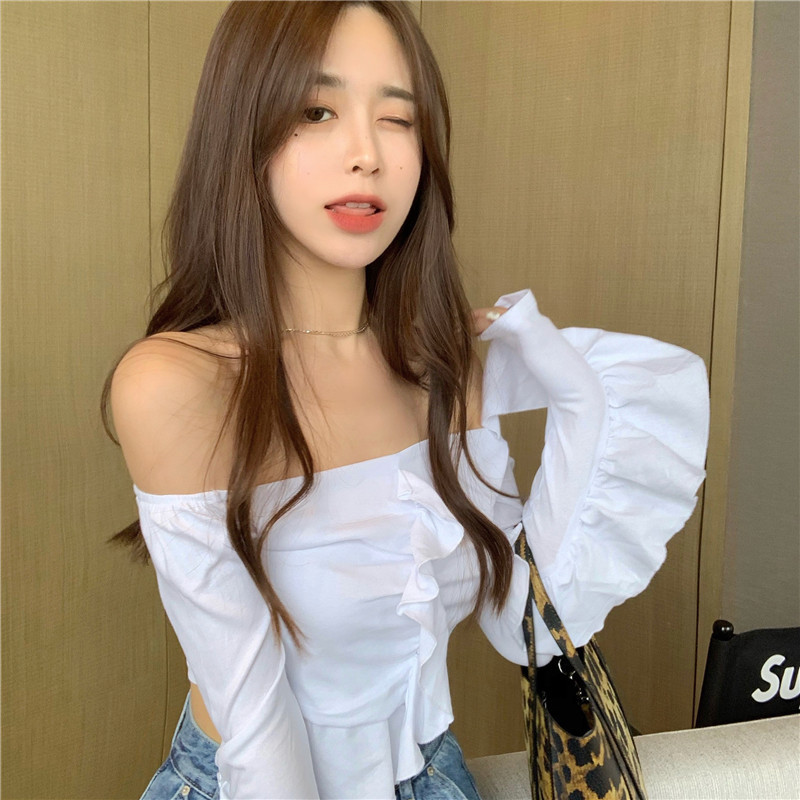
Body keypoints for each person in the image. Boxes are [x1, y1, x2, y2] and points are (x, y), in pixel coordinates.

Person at [102, 2, 710, 799]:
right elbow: (255, 723)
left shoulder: (441, 366)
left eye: (398, 119)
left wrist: (578, 396)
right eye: (316, 112)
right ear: (242, 134)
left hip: (433, 776)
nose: (368, 156)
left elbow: (523, 625)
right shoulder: (178, 385)